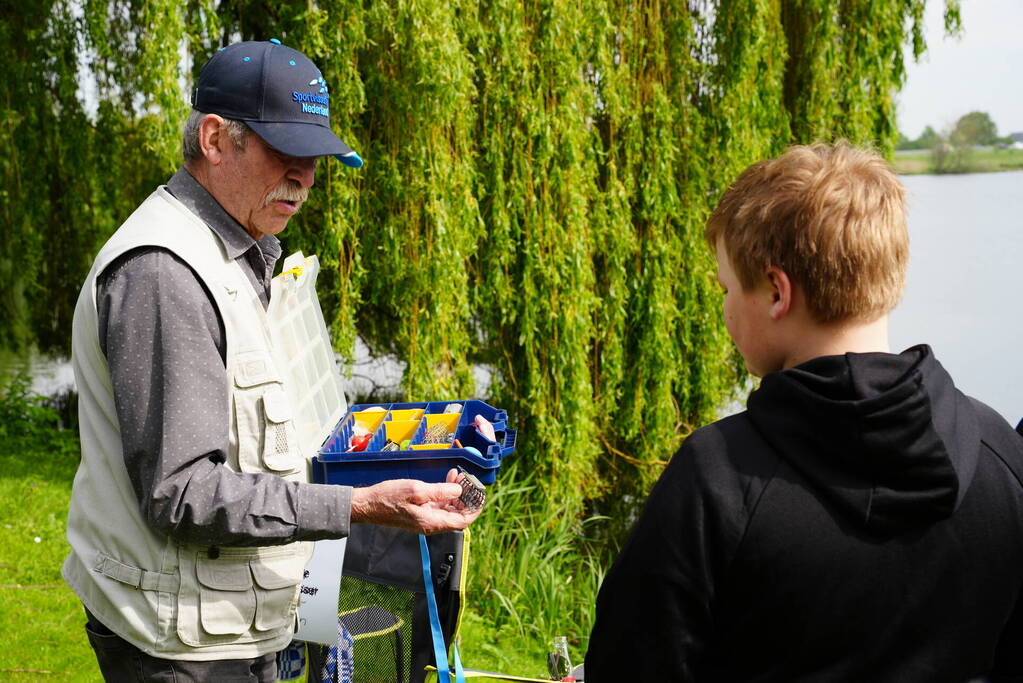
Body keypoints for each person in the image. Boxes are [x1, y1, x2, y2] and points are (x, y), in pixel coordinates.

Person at [63, 40, 480, 681]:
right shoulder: (167, 274)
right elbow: (183, 495)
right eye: (286, 151)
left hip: (229, 620)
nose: (306, 177)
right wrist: (359, 504)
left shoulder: (236, 249)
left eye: (315, 159)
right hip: (183, 648)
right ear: (214, 139)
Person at [585, 142, 1023, 681]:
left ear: (776, 292)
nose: (724, 309)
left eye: (726, 287)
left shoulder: (716, 478)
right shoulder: (1002, 453)